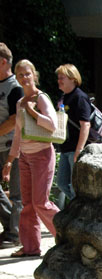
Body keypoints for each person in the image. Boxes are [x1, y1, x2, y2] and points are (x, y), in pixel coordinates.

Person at [1, 59, 59, 257]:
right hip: (24, 156)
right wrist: (10, 160)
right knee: (27, 205)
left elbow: (52, 125)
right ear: (16, 78)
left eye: (27, 74)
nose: (24, 78)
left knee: (41, 202)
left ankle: (67, 234)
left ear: (34, 75)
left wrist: (32, 111)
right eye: (20, 75)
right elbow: (18, 133)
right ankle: (30, 247)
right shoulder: (19, 102)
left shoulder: (41, 98)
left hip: (42, 154)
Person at [55, 64, 91, 204]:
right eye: (58, 78)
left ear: (73, 79)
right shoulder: (63, 98)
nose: (59, 81)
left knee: (75, 186)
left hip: (75, 149)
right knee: (62, 183)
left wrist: (79, 150)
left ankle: (80, 211)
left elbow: (85, 125)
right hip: (65, 148)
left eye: (62, 78)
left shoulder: (80, 97)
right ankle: (79, 207)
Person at [0, 42, 23, 248]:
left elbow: (15, 118)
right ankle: (11, 227)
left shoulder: (15, 88)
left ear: (3, 61)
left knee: (16, 193)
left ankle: (14, 234)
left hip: (11, 146)